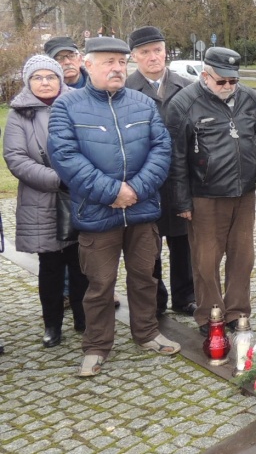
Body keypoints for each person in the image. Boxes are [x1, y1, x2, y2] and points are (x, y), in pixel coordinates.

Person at [47, 37, 178, 378]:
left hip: (142, 210)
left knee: (144, 278)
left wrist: (135, 189)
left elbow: (162, 149)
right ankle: (96, 345)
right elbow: (65, 158)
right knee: (99, 285)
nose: (117, 68)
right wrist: (111, 192)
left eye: (121, 62)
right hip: (97, 214)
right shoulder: (67, 106)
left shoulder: (141, 103)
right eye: (108, 62)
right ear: (87, 65)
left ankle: (147, 332)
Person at [165, 47, 256, 336]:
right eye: (221, 82)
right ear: (205, 75)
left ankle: (237, 312)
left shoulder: (248, 97)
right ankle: (209, 315)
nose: (229, 87)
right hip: (205, 194)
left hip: (244, 191)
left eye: (233, 81)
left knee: (243, 257)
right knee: (206, 260)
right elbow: (175, 157)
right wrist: (182, 201)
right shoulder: (183, 103)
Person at [4, 55, 88, 348]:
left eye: (50, 77)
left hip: (79, 198)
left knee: (81, 265)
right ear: (29, 81)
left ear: (60, 79)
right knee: (50, 268)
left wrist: (77, 176)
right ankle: (52, 324)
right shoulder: (19, 114)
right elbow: (15, 158)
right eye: (38, 77)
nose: (45, 82)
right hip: (41, 202)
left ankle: (83, 318)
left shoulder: (78, 104)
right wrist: (57, 179)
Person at [126, 26, 197, 317]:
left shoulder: (188, 86)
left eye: (157, 50)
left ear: (166, 50)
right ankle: (154, 299)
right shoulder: (126, 90)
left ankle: (186, 297)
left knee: (184, 244)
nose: (153, 57)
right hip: (145, 182)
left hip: (181, 179)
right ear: (134, 56)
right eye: (145, 52)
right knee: (147, 247)